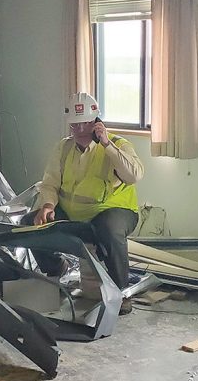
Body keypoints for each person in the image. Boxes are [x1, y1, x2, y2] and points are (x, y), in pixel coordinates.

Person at [28, 92, 144, 314]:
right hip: (73, 214)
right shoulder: (63, 148)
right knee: (29, 224)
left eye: (86, 123)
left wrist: (106, 143)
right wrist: (48, 206)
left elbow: (134, 175)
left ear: (96, 122)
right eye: (75, 125)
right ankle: (55, 269)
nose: (80, 129)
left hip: (112, 211)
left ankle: (120, 292)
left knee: (109, 230)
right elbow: (50, 182)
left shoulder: (118, 145)